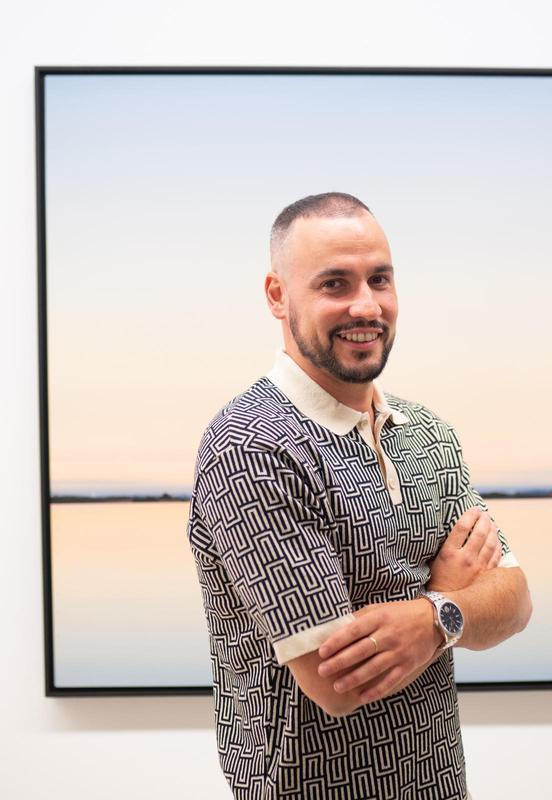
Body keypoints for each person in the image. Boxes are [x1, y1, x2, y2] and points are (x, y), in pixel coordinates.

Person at [187, 192, 532, 800]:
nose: (366, 305)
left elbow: (517, 600)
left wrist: (431, 618)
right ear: (277, 296)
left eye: (380, 279)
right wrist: (449, 599)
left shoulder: (426, 434)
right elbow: (336, 680)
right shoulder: (251, 445)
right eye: (334, 284)